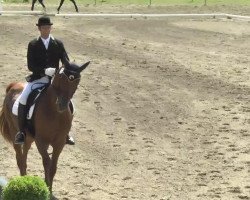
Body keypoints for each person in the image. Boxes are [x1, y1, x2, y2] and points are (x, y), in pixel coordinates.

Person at [14, 16, 75, 145]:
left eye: (48, 27)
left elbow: (65, 60)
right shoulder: (33, 44)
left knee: (70, 103)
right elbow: (31, 65)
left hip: (55, 81)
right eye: (43, 28)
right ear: (39, 29)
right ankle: (21, 132)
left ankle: (66, 132)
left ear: (50, 28)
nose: (46, 30)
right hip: (38, 78)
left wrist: (66, 69)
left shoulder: (58, 43)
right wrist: (44, 71)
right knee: (23, 98)